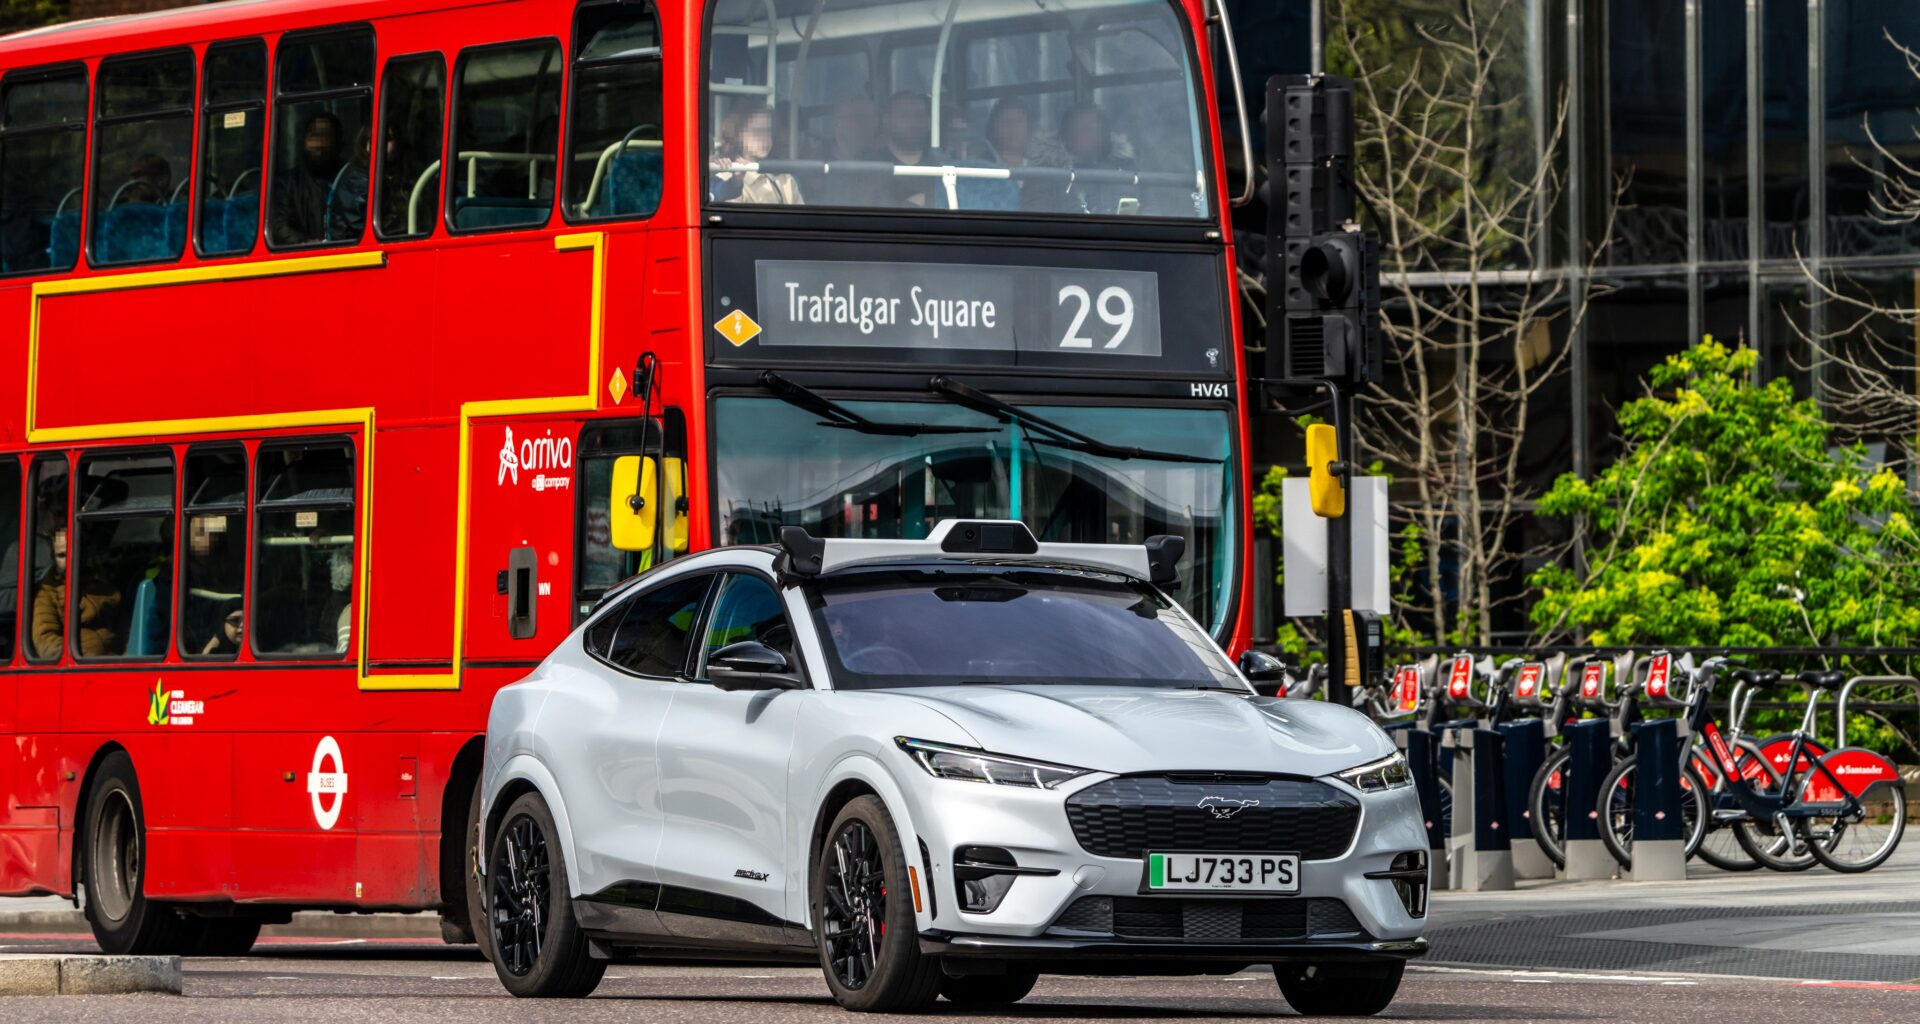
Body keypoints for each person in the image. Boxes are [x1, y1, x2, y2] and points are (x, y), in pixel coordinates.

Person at [269, 111, 347, 245]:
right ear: (304, 141)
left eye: (325, 136)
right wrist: (305, 242)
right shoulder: (287, 183)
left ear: (339, 143)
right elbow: (278, 225)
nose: (318, 143)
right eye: (313, 136)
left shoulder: (351, 180)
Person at [869, 92, 951, 208]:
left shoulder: (942, 165)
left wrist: (929, 198)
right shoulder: (870, 166)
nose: (913, 123)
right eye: (905, 116)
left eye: (920, 116)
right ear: (886, 120)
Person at [709, 106, 803, 205]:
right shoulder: (725, 179)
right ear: (738, 135)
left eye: (768, 131)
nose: (765, 137)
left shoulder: (786, 179)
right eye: (758, 131)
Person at [1058, 103, 1136, 215]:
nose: (1092, 134)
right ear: (1066, 135)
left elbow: (1153, 205)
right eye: (1084, 129)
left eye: (1097, 128)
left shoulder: (1127, 165)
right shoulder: (1052, 171)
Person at [808, 91, 878, 207]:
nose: (871, 125)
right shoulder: (815, 163)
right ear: (837, 123)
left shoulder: (881, 161)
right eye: (860, 118)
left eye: (872, 119)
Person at [29, 528, 66, 660]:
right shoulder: (45, 592)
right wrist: (89, 660)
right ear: (53, 558)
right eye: (62, 555)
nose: (69, 559)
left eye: (77, 551)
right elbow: (47, 642)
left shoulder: (106, 589)